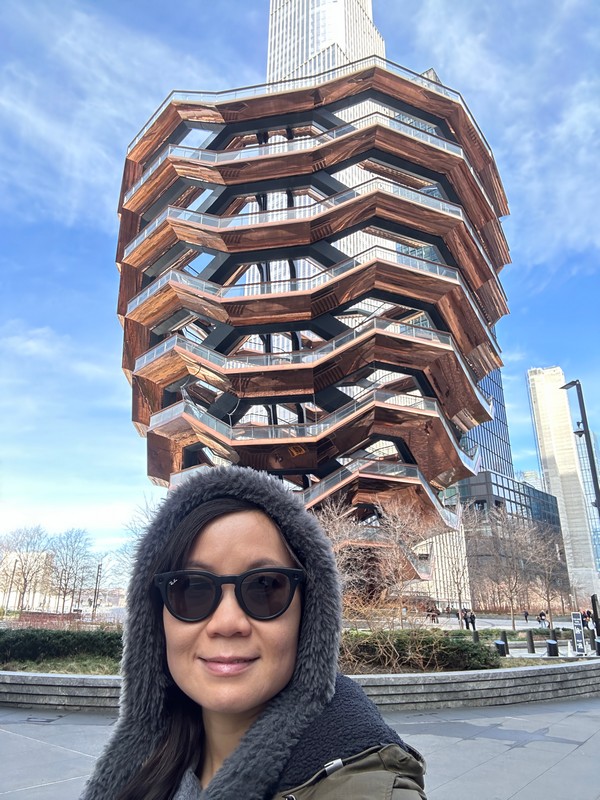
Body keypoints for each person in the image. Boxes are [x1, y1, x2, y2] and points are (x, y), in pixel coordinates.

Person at [80, 466, 426, 800]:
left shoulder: (369, 789)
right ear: (156, 621)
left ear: (309, 617)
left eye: (265, 586)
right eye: (192, 589)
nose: (227, 622)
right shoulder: (144, 773)